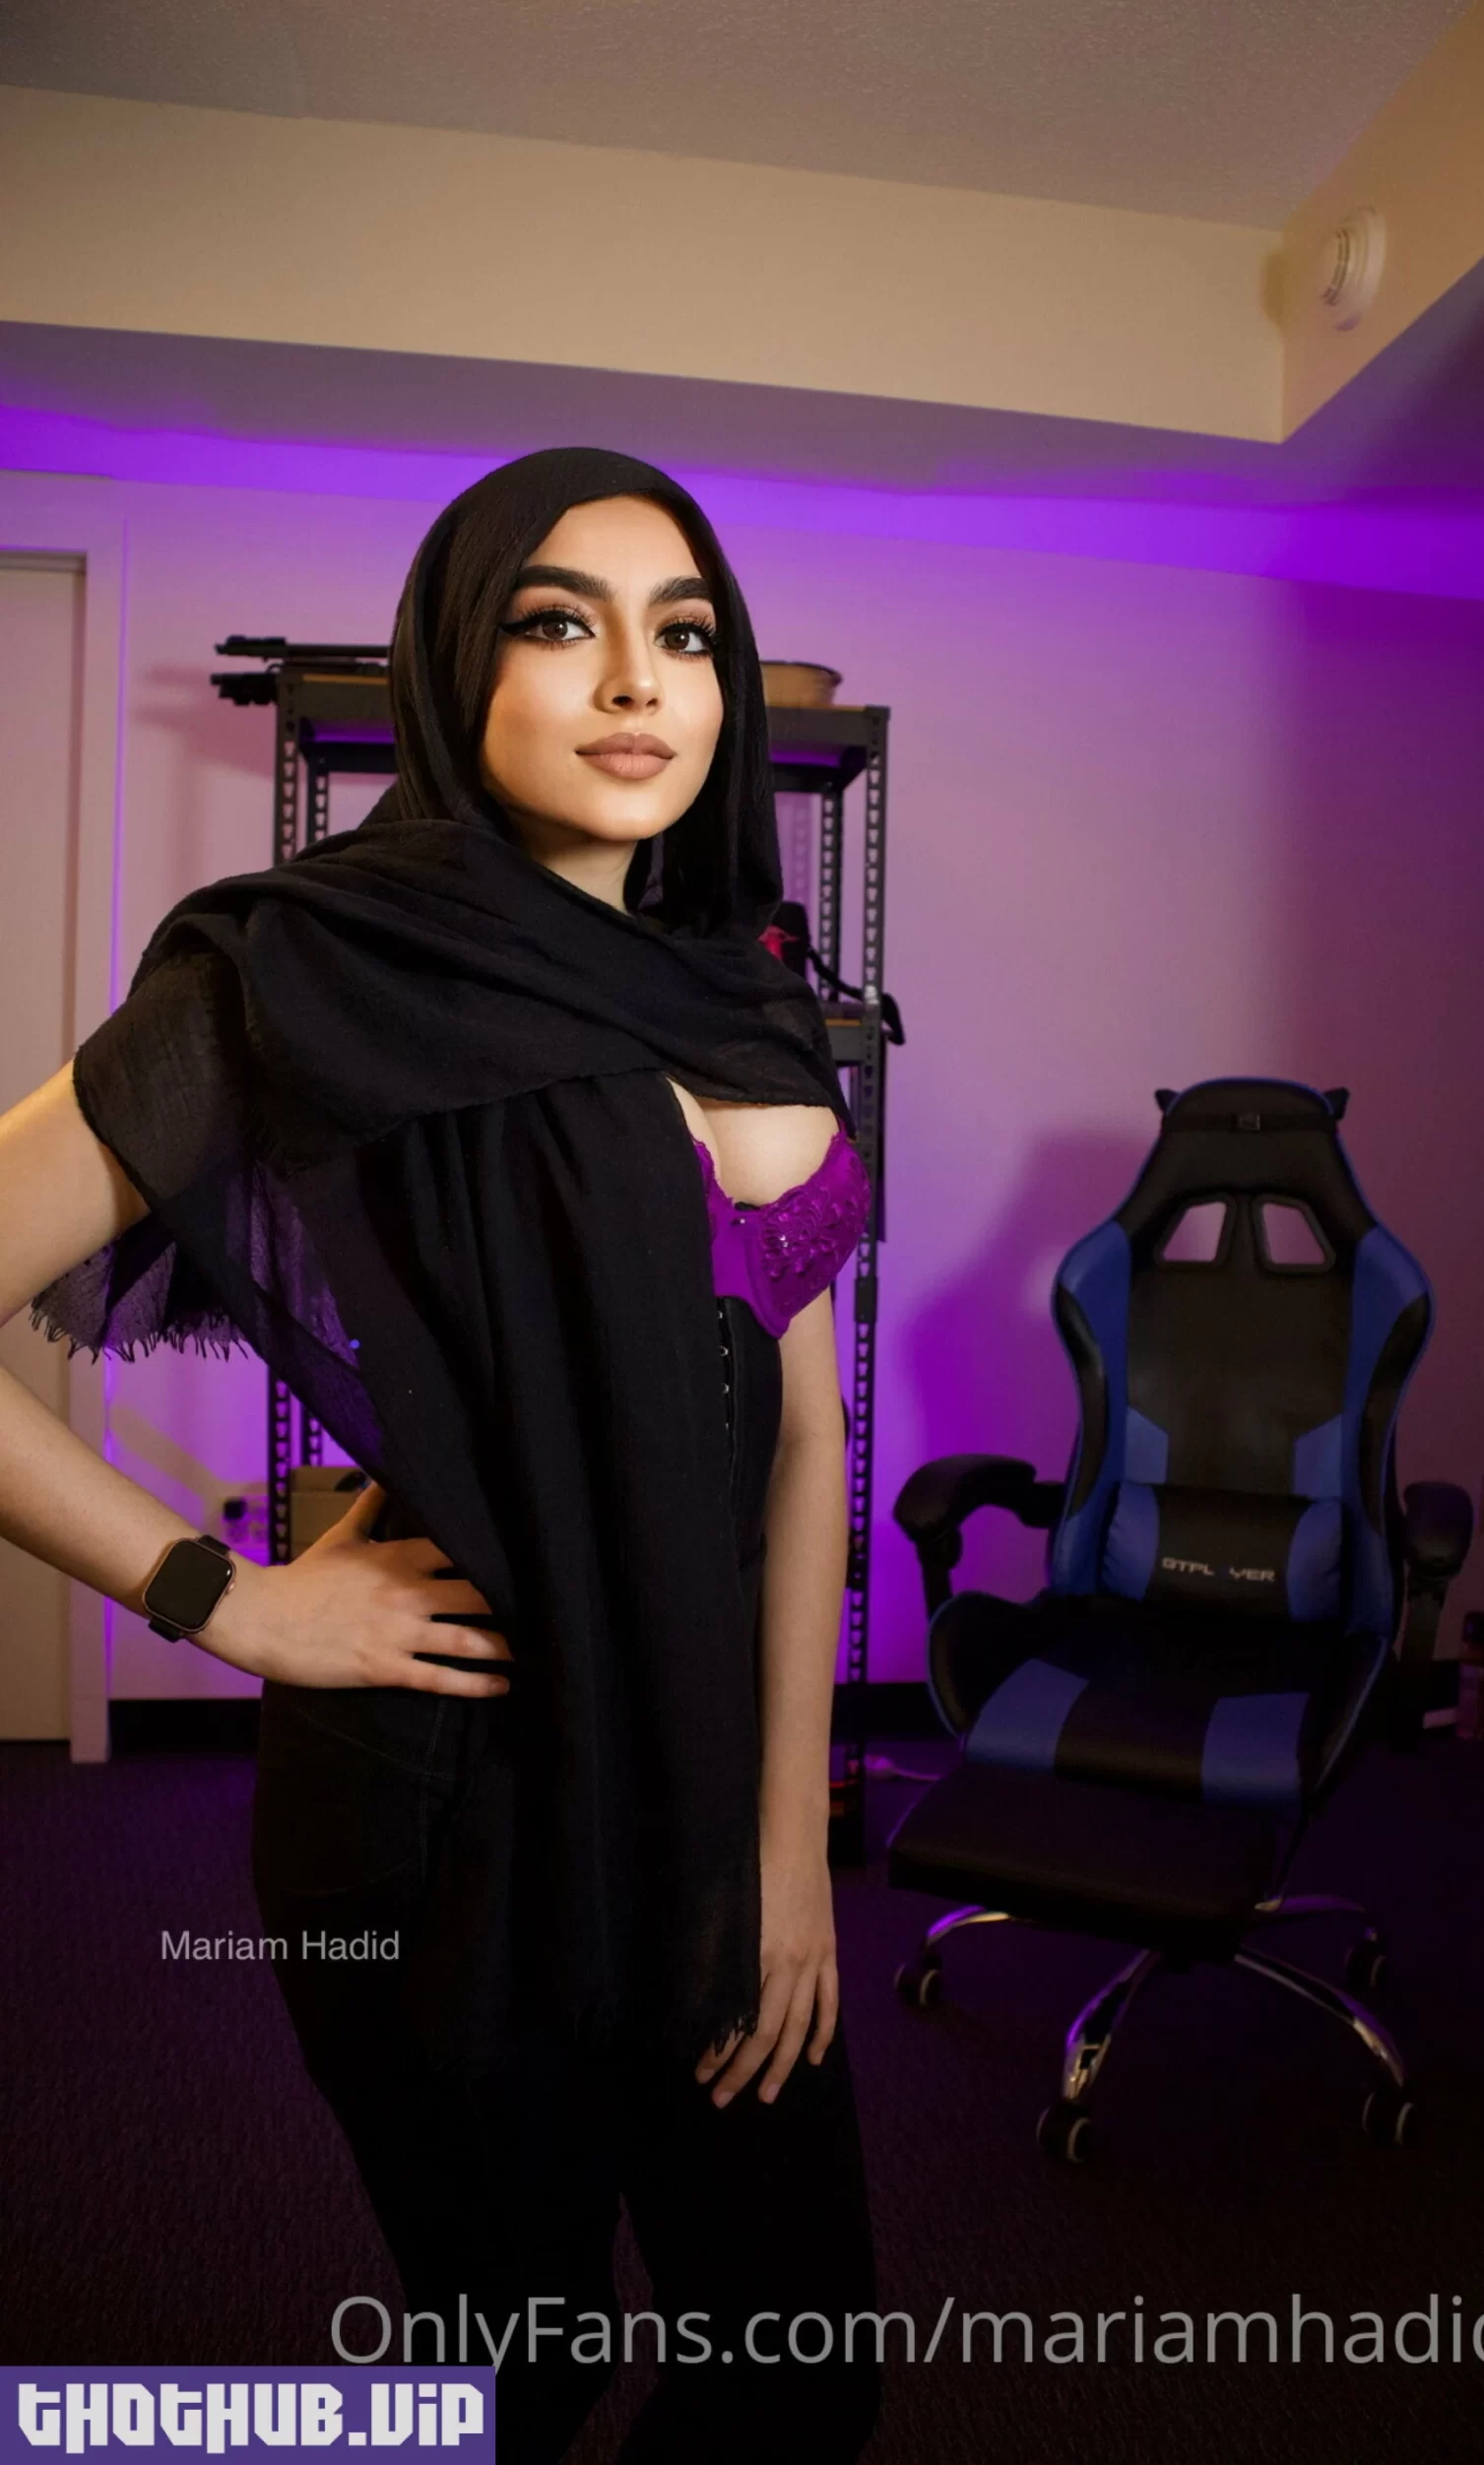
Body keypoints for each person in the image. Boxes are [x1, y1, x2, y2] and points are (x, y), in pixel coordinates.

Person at [0, 449, 883, 2461]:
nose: (636, 679)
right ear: (451, 666)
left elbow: (810, 1440)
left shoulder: (753, 1002)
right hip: (443, 1790)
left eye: (685, 634)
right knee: (525, 2358)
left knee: (799, 2366)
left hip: (702, 1773)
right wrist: (226, 1599)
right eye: (558, 622)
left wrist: (786, 1846)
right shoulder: (307, 970)